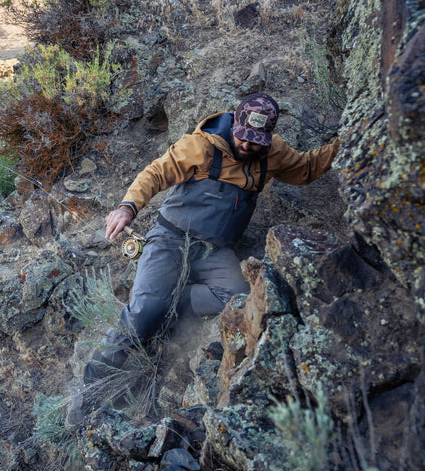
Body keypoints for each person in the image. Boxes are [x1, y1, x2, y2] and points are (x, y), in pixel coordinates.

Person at [65, 93, 339, 428]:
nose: (248, 146)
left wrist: (347, 142)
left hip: (215, 251)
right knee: (141, 315)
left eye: (256, 141)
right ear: (235, 124)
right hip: (170, 239)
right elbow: (156, 173)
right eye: (243, 137)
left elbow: (307, 169)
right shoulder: (201, 146)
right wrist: (127, 207)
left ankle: (169, 303)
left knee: (237, 297)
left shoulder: (273, 152)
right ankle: (87, 390)